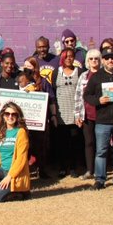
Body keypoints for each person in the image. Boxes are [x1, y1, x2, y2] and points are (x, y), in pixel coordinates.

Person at [85, 50, 113, 190]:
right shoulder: (96, 77)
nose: (110, 60)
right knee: (101, 152)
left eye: (112, 58)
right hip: (102, 121)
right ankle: (100, 179)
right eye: (107, 58)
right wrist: (98, 100)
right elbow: (87, 95)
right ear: (103, 61)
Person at [51, 48, 84, 178]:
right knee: (61, 142)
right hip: (60, 114)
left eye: (71, 56)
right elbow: (53, 92)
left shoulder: (79, 72)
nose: (69, 58)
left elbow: (82, 92)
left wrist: (80, 114)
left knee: (74, 141)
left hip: (74, 112)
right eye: (66, 56)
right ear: (62, 58)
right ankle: (62, 167)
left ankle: (73, 167)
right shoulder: (56, 72)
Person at [73, 50, 102, 180]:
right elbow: (78, 96)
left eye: (96, 58)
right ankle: (90, 170)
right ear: (87, 61)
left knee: (101, 144)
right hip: (87, 115)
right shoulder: (84, 76)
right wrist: (77, 115)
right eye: (91, 59)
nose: (94, 61)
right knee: (89, 143)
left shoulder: (104, 75)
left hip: (103, 115)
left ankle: (100, 171)